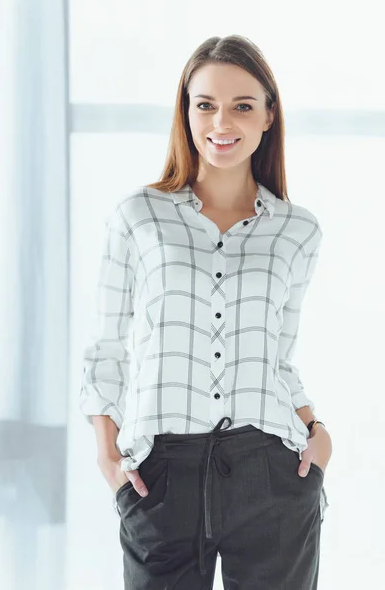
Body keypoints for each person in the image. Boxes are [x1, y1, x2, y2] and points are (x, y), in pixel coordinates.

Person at [79, 34, 332, 589]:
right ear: (186, 111)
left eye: (243, 105)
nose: (223, 121)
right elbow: (105, 347)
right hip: (161, 472)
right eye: (206, 104)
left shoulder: (298, 229)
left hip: (272, 469)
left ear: (269, 116)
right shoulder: (137, 217)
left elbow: (278, 359)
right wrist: (107, 456)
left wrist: (317, 430)